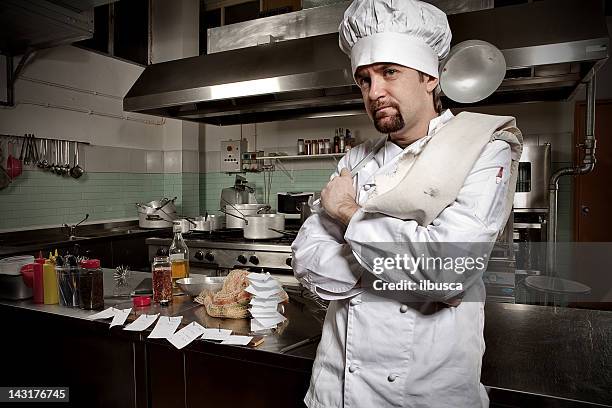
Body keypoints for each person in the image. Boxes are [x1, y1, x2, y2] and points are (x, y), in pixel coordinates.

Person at [291, 1, 523, 407]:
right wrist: (407, 277)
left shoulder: (482, 148)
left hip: (424, 394)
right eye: (363, 79)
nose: (374, 91)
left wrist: (345, 213)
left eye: (389, 72)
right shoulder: (355, 159)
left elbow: (447, 271)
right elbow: (307, 259)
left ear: (430, 76)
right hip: (334, 390)